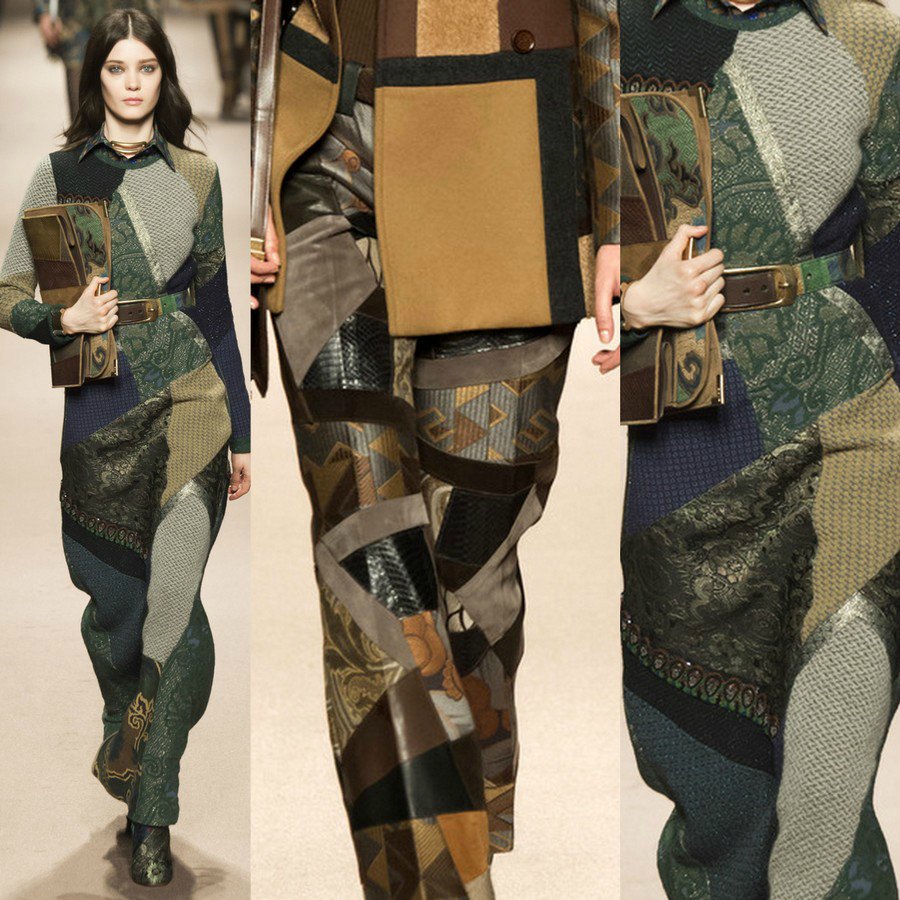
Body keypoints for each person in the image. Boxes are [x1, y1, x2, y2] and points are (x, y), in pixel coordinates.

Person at [250, 0, 619, 894]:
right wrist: (253, 172)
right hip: (326, 149)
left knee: (470, 578)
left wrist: (623, 209)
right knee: (373, 560)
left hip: (512, 149)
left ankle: (465, 823)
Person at [618, 0, 900, 894]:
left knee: (828, 779)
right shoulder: (619, 31)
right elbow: (544, 218)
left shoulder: (866, 34)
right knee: (719, 794)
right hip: (689, 433)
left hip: (856, 416)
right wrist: (624, 299)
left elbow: (896, 228)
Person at [0, 8, 251, 887]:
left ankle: (153, 809)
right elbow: (6, 289)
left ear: (164, 77)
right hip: (100, 410)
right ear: (95, 77)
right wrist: (59, 318)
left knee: (176, 602)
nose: (134, 82)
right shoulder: (61, 173)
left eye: (148, 67)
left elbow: (217, 309)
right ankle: (128, 728)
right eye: (118, 67)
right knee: (116, 610)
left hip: (191, 405)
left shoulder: (196, 173)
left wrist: (242, 431)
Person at [34, 0, 161, 122]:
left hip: (124, 12)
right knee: (79, 92)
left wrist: (153, 19)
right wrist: (45, 11)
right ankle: (83, 135)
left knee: (130, 87)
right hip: (77, 17)